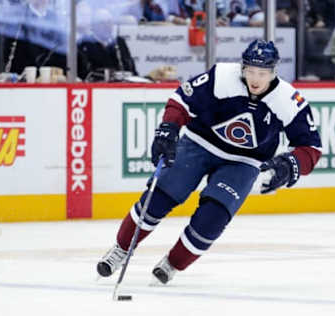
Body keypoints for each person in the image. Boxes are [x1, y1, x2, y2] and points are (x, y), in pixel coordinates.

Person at [96, 39, 322, 284]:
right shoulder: (222, 77)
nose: (255, 79)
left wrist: (290, 166)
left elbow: (311, 147)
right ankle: (120, 249)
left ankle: (172, 264)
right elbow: (182, 99)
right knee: (158, 198)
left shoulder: (288, 101)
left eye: (263, 73)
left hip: (244, 161)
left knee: (212, 219)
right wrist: (168, 129)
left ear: (274, 72)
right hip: (199, 143)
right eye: (251, 71)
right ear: (242, 68)